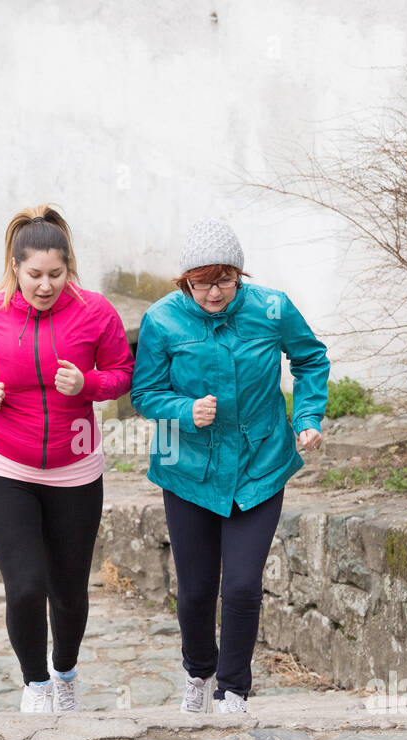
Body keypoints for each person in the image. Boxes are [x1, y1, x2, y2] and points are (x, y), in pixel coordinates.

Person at [130, 217, 330, 714]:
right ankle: (198, 673)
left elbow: (310, 359)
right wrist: (184, 410)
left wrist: (306, 416)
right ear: (185, 282)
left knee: (241, 586)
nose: (213, 292)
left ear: (240, 275)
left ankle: (234, 691)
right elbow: (145, 393)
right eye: (202, 282)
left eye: (223, 280)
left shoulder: (272, 309)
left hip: (259, 465)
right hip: (188, 471)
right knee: (196, 592)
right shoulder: (162, 320)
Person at [0, 204, 134, 713]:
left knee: (68, 591)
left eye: (56, 273)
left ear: (69, 268)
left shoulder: (96, 312)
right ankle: (36, 685)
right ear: (14, 269)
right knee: (27, 584)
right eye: (34, 275)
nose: (45, 285)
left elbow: (123, 371)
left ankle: (65, 673)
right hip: (2, 465)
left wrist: (88, 384)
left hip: (74, 469)